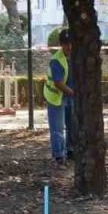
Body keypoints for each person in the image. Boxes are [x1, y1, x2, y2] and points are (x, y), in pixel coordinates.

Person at [45, 30, 76, 167]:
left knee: (72, 125)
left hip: (70, 96)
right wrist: (74, 93)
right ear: (61, 44)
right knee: (58, 128)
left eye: (71, 44)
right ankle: (59, 156)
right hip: (56, 97)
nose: (69, 47)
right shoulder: (57, 60)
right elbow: (58, 83)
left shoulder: (75, 57)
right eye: (66, 44)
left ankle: (71, 151)